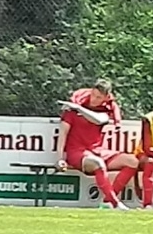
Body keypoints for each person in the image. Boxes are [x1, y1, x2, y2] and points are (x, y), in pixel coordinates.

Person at [55, 80, 138, 210]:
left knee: (132, 161)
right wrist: (59, 158)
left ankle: (107, 201)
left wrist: (79, 109)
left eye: (98, 97)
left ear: (106, 98)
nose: (94, 99)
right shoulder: (71, 111)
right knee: (97, 163)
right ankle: (115, 203)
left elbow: (99, 120)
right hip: (77, 152)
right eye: (93, 95)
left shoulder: (104, 110)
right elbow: (63, 134)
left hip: (97, 150)